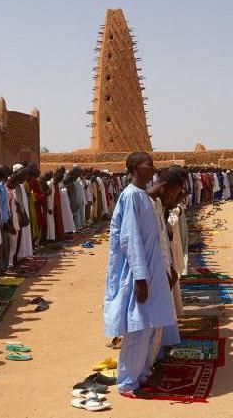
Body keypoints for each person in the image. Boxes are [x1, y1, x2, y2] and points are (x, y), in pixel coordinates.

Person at [104, 152, 176, 397]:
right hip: (139, 272)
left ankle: (141, 372)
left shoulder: (144, 197)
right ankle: (126, 382)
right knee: (136, 327)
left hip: (152, 268)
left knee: (148, 324)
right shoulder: (130, 196)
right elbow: (130, 239)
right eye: (148, 164)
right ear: (135, 168)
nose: (152, 168)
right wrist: (140, 279)